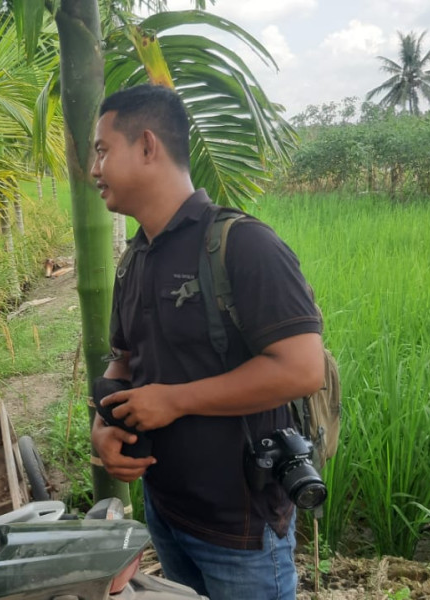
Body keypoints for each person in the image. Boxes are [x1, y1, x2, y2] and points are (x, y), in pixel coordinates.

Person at [89, 84, 325, 600]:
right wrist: (102, 429)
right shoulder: (135, 260)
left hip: (241, 530)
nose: (93, 169)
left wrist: (174, 400)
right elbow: (124, 361)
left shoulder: (244, 245)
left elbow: (302, 369)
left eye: (102, 150)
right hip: (167, 514)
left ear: (148, 146)